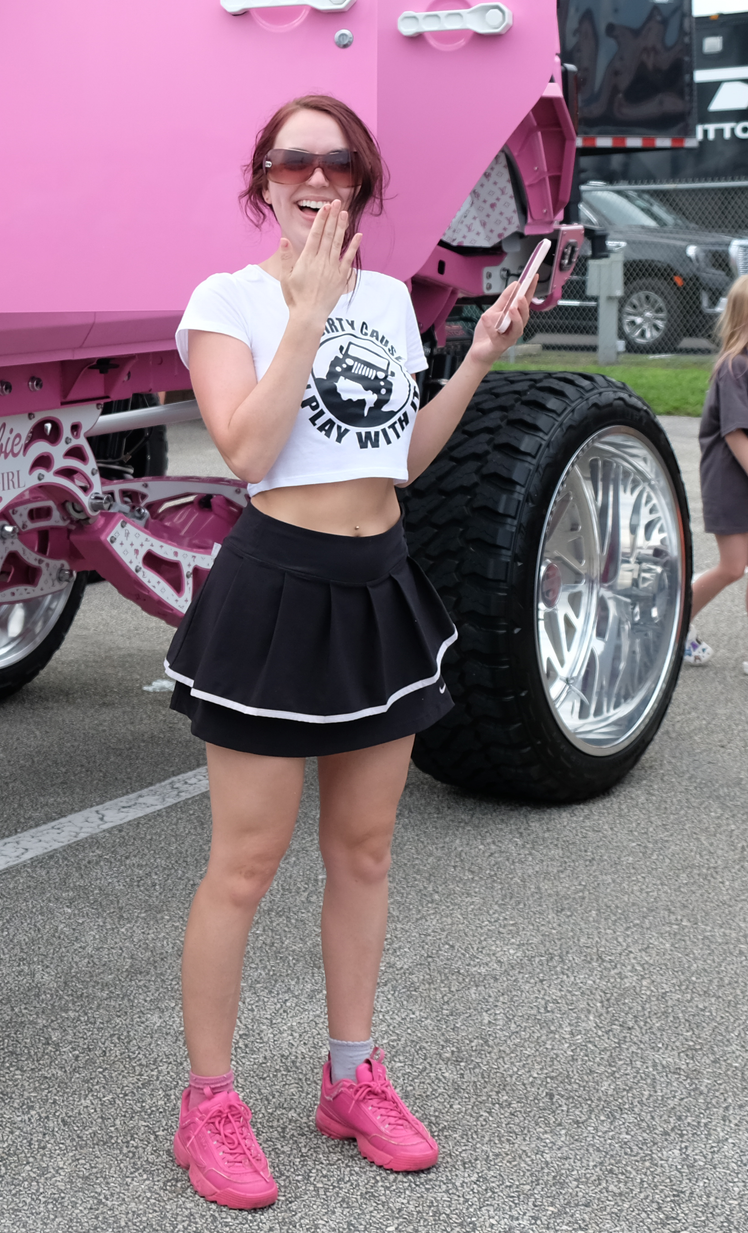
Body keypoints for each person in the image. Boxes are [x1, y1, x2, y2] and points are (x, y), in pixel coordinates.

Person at [162, 93, 539, 1210]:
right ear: (262, 177)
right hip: (276, 591)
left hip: (379, 588)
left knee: (364, 852)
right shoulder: (223, 300)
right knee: (242, 863)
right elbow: (245, 444)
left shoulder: (384, 295)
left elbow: (397, 459)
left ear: (364, 186)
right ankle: (208, 1103)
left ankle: (346, 1078)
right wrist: (309, 311)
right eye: (294, 161)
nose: (316, 181)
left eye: (339, 166)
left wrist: (471, 361)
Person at [682, 273, 748, 668]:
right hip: (730, 483)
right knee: (732, 566)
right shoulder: (734, 368)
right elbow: (736, 434)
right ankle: (672, 628)